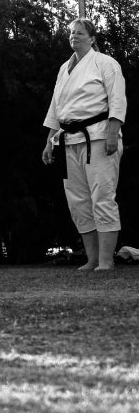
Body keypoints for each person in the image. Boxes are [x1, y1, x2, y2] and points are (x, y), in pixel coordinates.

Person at [41, 18, 126, 271]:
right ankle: (92, 259)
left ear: (92, 38)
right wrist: (49, 141)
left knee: (102, 196)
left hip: (99, 137)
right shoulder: (63, 69)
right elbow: (56, 108)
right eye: (71, 33)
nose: (74, 36)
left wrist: (113, 132)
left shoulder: (105, 63)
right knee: (78, 201)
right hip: (69, 140)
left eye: (80, 33)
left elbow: (117, 99)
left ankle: (106, 261)